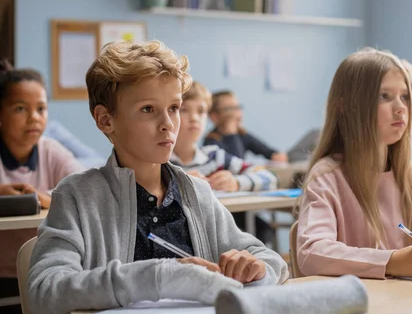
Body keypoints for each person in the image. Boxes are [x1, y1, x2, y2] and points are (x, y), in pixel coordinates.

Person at [27, 41, 288, 314]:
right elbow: (44, 291)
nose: (168, 124)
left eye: (174, 107)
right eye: (148, 109)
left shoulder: (196, 192)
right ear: (106, 120)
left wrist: (256, 269)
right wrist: (162, 276)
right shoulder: (77, 197)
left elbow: (273, 262)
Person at [295, 48, 412, 279]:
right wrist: (391, 262)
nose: (401, 108)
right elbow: (311, 253)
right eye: (384, 96)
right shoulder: (327, 177)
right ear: (346, 106)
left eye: (405, 96)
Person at [0, 59, 84, 314]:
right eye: (20, 109)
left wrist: (45, 198)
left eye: (41, 109)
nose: (33, 118)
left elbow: (83, 194)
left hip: (47, 269)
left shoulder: (51, 151)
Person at [171, 81, 277, 243]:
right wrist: (181, 183)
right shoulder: (161, 163)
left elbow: (268, 177)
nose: (194, 118)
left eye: (201, 111)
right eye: (184, 110)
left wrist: (235, 182)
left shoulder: (215, 156)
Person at [204, 90, 288, 162]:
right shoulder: (211, 141)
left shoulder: (242, 134)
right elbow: (235, 163)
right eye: (229, 109)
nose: (236, 113)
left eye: (238, 107)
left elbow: (266, 150)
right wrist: (231, 134)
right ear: (214, 116)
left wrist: (275, 155)